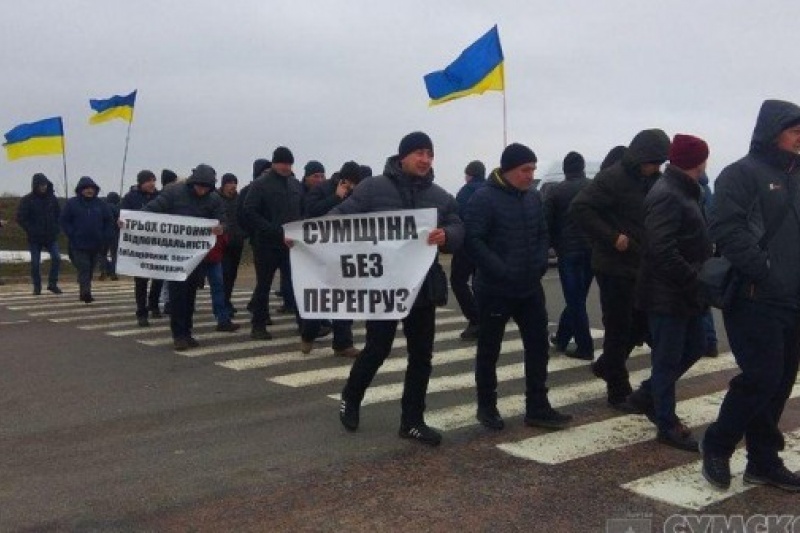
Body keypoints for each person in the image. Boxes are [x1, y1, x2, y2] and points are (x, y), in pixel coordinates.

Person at [334, 131, 463, 447]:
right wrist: (303, 237)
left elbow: (460, 227)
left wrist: (448, 235)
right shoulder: (373, 188)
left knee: (422, 356)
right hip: (384, 287)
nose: (425, 159)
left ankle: (412, 420)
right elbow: (339, 218)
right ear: (402, 156)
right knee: (377, 349)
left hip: (422, 288)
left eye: (430, 154)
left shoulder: (440, 196)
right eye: (419, 153)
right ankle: (351, 397)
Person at [701, 100, 800, 492]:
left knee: (781, 380)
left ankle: (762, 460)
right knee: (761, 375)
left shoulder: (796, 174)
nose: (799, 139)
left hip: (794, 298)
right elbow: (725, 228)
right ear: (773, 131)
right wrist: (765, 270)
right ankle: (717, 445)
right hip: (755, 296)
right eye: (794, 131)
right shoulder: (740, 174)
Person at [465, 143, 572, 432]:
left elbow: (542, 233)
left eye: (533, 169)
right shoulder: (483, 198)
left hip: (529, 287)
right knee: (489, 349)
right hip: (494, 289)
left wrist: (539, 263)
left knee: (538, 346)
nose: (530, 175)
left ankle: (537, 406)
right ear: (509, 170)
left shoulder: (533, 198)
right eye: (526, 170)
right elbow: (474, 240)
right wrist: (501, 269)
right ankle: (487, 406)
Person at [570, 129, 671, 409]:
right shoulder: (611, 178)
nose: (656, 167)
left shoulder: (653, 180)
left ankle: (606, 365)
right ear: (641, 156)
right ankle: (618, 391)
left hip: (641, 266)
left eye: (660, 163)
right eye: (653, 161)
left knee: (638, 326)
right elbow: (580, 208)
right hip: (613, 266)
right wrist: (613, 236)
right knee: (618, 328)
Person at [626, 134, 713, 452]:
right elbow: (661, 248)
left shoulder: (686, 190)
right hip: (669, 292)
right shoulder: (668, 194)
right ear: (698, 162)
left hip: (684, 291)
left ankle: (648, 394)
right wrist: (693, 278)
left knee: (696, 345)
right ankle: (666, 423)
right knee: (667, 358)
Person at [141, 164, 225, 351]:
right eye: (199, 186)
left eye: (206, 187)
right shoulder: (174, 193)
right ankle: (178, 335)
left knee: (190, 295)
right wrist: (130, 221)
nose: (202, 190)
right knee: (178, 295)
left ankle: (187, 332)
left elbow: (222, 219)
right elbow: (149, 211)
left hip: (197, 256)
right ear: (192, 182)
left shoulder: (214, 199)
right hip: (174, 254)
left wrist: (221, 227)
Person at [300, 160, 364, 358]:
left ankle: (343, 343)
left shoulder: (359, 193)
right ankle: (308, 334)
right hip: (321, 250)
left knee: (345, 296)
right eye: (350, 182)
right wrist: (336, 198)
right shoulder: (321, 189)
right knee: (321, 296)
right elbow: (311, 212)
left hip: (346, 251)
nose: (352, 186)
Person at [243, 147, 303, 340]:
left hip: (291, 245)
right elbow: (249, 212)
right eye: (283, 163)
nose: (286, 167)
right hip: (266, 245)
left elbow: (302, 210)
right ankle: (258, 325)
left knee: (297, 284)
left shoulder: (295, 185)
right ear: (275, 163)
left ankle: (305, 325)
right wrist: (273, 230)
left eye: (289, 163)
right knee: (264, 286)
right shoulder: (260, 184)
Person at [544, 151, 594, 361]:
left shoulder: (556, 192)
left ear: (565, 170)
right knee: (578, 298)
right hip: (592, 250)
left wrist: (550, 246)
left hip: (568, 251)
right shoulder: (593, 188)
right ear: (582, 167)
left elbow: (546, 222)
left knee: (575, 300)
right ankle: (563, 337)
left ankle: (585, 346)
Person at [60, 176, 114, 303]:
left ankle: (84, 289)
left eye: (92, 188)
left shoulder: (101, 204)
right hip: (78, 243)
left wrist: (106, 236)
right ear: (81, 190)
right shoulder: (72, 203)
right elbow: (64, 220)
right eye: (86, 188)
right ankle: (86, 292)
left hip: (96, 243)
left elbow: (109, 221)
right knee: (84, 267)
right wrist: (71, 233)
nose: (89, 191)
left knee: (90, 268)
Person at [121, 170, 164, 326]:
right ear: (141, 183)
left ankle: (153, 304)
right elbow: (122, 216)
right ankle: (141, 311)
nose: (152, 183)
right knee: (141, 280)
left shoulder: (161, 197)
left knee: (159, 276)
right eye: (148, 181)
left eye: (153, 180)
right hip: (139, 245)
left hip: (158, 244)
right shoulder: (130, 198)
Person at [451, 160, 485, 340]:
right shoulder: (490, 190)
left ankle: (475, 319)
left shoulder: (465, 192)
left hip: (466, 245)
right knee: (480, 283)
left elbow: (457, 217)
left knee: (458, 281)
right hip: (486, 245)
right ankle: (485, 318)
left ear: (469, 175)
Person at [16, 173, 62, 295]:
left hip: (50, 236)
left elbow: (59, 214)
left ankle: (52, 284)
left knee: (57, 258)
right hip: (35, 238)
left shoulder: (52, 199)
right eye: (41, 185)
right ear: (35, 185)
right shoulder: (27, 200)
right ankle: (37, 286)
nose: (43, 187)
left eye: (45, 184)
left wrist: (57, 227)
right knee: (35, 263)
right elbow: (20, 217)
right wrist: (30, 229)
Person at [218, 172, 246, 317]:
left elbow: (244, 217)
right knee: (224, 274)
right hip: (222, 243)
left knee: (232, 275)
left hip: (237, 242)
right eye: (229, 182)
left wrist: (243, 233)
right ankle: (223, 304)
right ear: (223, 184)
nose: (233, 185)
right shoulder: (217, 199)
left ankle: (227, 300)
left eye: (235, 182)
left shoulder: (239, 200)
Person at [697, 171, 719, 358]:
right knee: (703, 298)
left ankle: (707, 341)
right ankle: (710, 341)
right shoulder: (707, 189)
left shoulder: (694, 190)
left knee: (697, 296)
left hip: (694, 248)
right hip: (706, 246)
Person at [98, 191, 121, 281]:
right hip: (114, 234)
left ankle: (103, 271)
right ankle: (113, 273)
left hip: (103, 234)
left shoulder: (101, 207)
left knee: (102, 254)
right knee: (114, 254)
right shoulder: (118, 209)